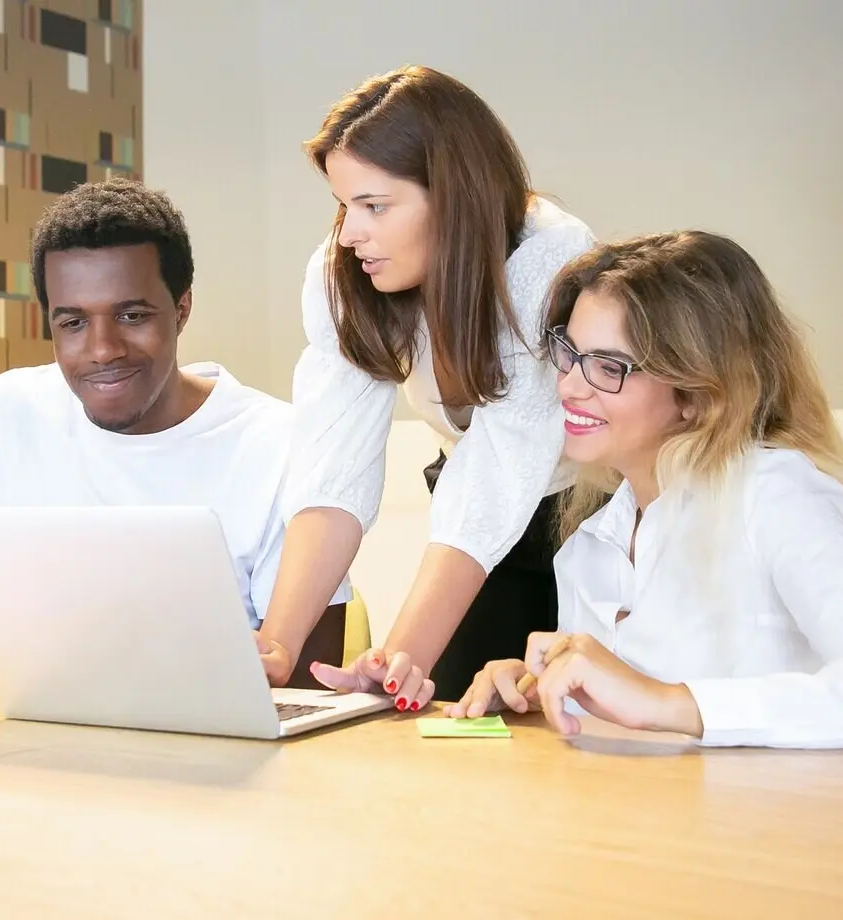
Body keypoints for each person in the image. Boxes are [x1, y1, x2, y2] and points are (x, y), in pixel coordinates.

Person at [447, 230, 843, 750]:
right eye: (569, 354)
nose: (570, 386)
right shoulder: (591, 543)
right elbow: (629, 721)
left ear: (696, 394)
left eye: (608, 367)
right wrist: (540, 689)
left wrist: (668, 701)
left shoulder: (774, 492)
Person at [0, 178, 350, 687]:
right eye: (73, 323)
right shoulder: (8, 411)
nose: (102, 349)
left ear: (181, 309)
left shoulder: (278, 443)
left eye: (132, 315)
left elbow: (314, 677)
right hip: (29, 742)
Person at [254, 65, 596, 708]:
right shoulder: (346, 267)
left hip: (583, 521)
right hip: (472, 521)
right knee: (460, 730)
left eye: (375, 206)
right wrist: (278, 644)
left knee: (569, 733)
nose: (350, 232)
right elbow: (333, 464)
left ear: (455, 195)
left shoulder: (550, 257)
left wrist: (402, 652)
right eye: (343, 204)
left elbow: (502, 468)